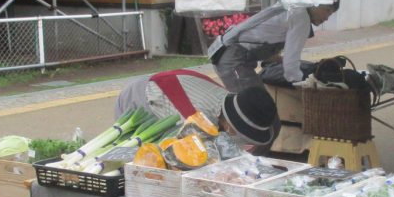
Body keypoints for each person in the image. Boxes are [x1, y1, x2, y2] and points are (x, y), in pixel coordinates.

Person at [114, 69, 281, 150]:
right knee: (144, 153)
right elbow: (180, 151)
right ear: (230, 127)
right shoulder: (190, 117)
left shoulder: (230, 103)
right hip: (139, 99)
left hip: (167, 85)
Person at [207, 0, 339, 92]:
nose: (327, 18)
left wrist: (278, 60)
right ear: (315, 3)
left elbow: (263, 36)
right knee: (255, 109)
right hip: (233, 59)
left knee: (253, 108)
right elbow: (291, 67)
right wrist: (304, 84)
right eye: (327, 10)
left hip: (225, 52)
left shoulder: (293, 6)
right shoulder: (301, 18)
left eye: (331, 14)